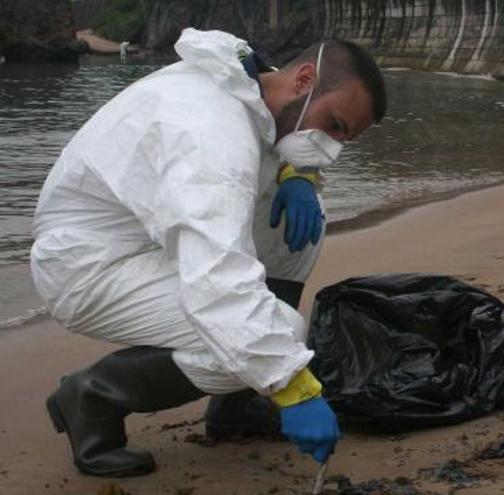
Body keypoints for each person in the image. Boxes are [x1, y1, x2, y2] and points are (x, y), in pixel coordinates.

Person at [30, 28, 385, 477]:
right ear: (304, 79)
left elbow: (279, 139)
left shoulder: (251, 83)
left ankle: (235, 408)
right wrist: (293, 386)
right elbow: (216, 287)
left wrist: (298, 174)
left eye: (343, 139)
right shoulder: (208, 134)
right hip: (87, 265)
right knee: (272, 336)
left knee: (297, 224)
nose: (331, 149)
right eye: (333, 125)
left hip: (147, 239)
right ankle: (93, 395)